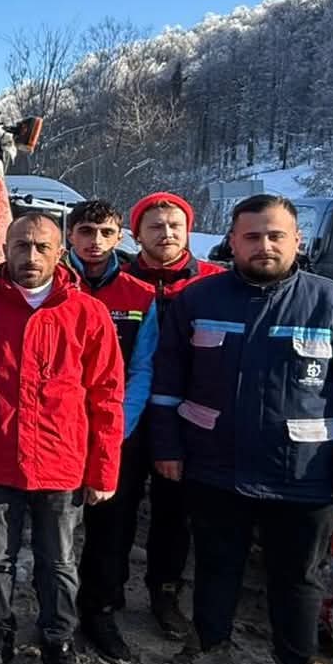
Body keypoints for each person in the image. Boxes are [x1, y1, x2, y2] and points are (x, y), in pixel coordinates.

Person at [151, 194, 333, 664]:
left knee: (298, 578)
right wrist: (168, 449)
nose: (264, 245)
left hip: (303, 474)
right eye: (252, 236)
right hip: (214, 466)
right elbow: (167, 384)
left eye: (276, 235)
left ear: (297, 241)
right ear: (231, 242)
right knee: (215, 565)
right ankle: (210, 649)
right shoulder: (198, 300)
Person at [0, 213, 124, 664]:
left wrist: (104, 468)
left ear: (60, 252)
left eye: (43, 246)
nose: (31, 256)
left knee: (59, 563)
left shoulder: (87, 314)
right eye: (21, 246)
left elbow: (107, 396)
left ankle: (57, 642)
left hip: (61, 463)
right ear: (5, 249)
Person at [124, 191, 225, 639]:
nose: (165, 234)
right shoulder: (118, 279)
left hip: (187, 416)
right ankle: (104, 594)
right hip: (126, 413)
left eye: (174, 226)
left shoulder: (212, 283)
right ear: (136, 234)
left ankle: (165, 594)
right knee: (115, 509)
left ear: (188, 231)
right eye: (155, 226)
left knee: (173, 511)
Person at [65, 200, 160, 662]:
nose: (95, 242)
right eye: (86, 231)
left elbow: (143, 368)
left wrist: (118, 426)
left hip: (115, 430)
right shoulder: (52, 285)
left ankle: (100, 611)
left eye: (105, 232)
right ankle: (53, 609)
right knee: (52, 528)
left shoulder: (141, 295)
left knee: (112, 529)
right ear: (70, 236)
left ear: (121, 236)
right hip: (56, 431)